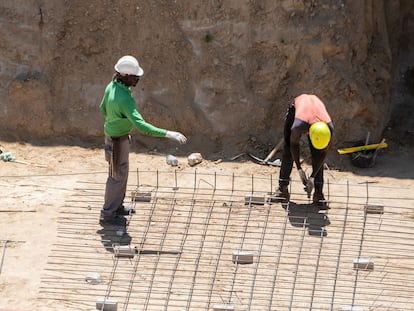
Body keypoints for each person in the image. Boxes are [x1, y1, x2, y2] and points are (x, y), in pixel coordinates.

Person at [99, 55, 187, 225]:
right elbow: (142, 126)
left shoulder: (112, 86)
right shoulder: (124, 99)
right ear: (125, 76)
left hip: (114, 136)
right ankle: (108, 214)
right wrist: (168, 133)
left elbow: (102, 108)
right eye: (135, 76)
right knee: (116, 176)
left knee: (120, 174)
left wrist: (116, 121)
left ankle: (117, 207)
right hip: (117, 141)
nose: (138, 79)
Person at [275, 94, 333, 206]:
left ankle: (318, 194)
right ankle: (283, 190)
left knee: (318, 154)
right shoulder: (298, 126)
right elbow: (293, 146)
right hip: (297, 111)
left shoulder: (329, 129)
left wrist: (312, 177)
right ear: (308, 132)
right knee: (288, 151)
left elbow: (322, 154)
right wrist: (299, 168)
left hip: (315, 113)